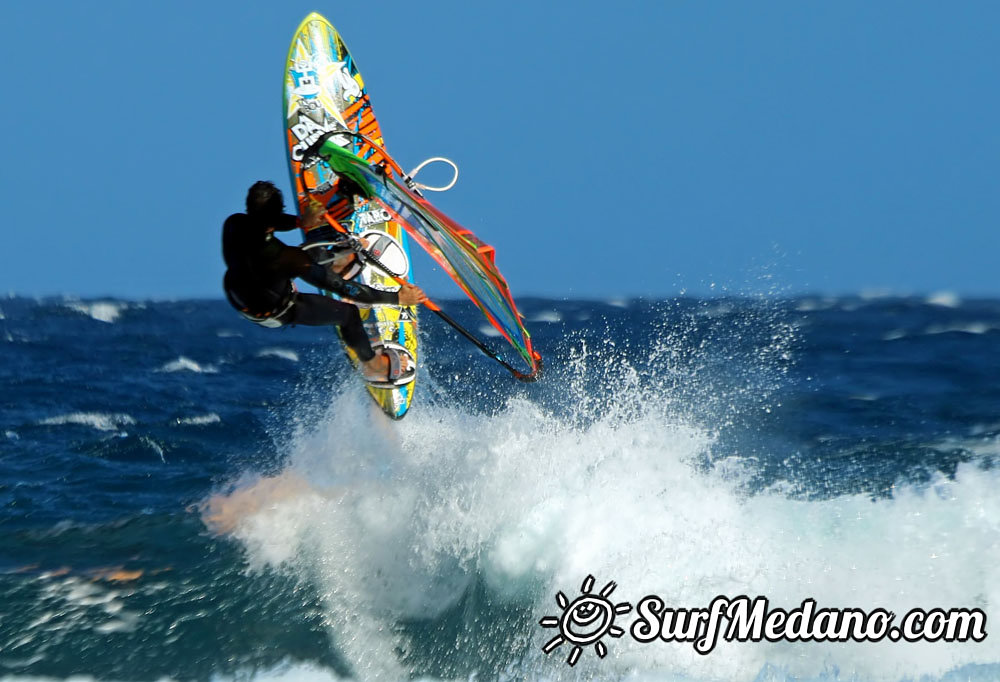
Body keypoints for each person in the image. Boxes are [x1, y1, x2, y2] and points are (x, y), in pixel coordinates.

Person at [222, 180, 427, 385]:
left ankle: (339, 263)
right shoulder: (287, 259)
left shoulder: (234, 224)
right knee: (349, 315)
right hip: (275, 310)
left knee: (308, 253)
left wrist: (301, 222)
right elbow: (344, 289)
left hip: (241, 293)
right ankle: (375, 366)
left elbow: (264, 223)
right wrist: (397, 297)